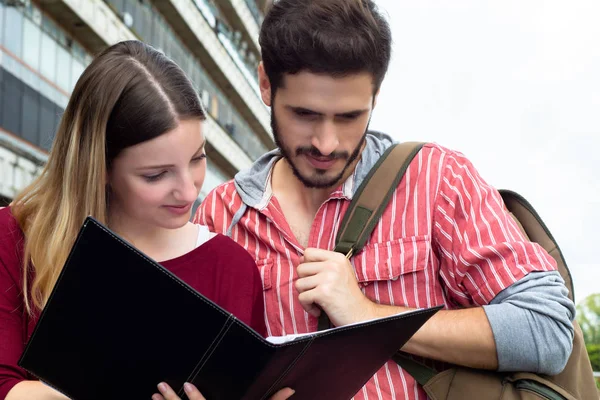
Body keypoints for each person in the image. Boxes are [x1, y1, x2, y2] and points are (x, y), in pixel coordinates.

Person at [194, 1, 577, 398]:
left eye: (348, 117)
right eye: (305, 114)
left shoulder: (437, 178)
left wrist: (367, 316)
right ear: (265, 84)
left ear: (375, 96)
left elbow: (545, 328)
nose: (326, 144)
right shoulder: (219, 217)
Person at [0, 40, 276, 400]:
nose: (189, 192)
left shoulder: (233, 268)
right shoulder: (16, 237)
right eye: (156, 175)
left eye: (197, 158)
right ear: (99, 168)